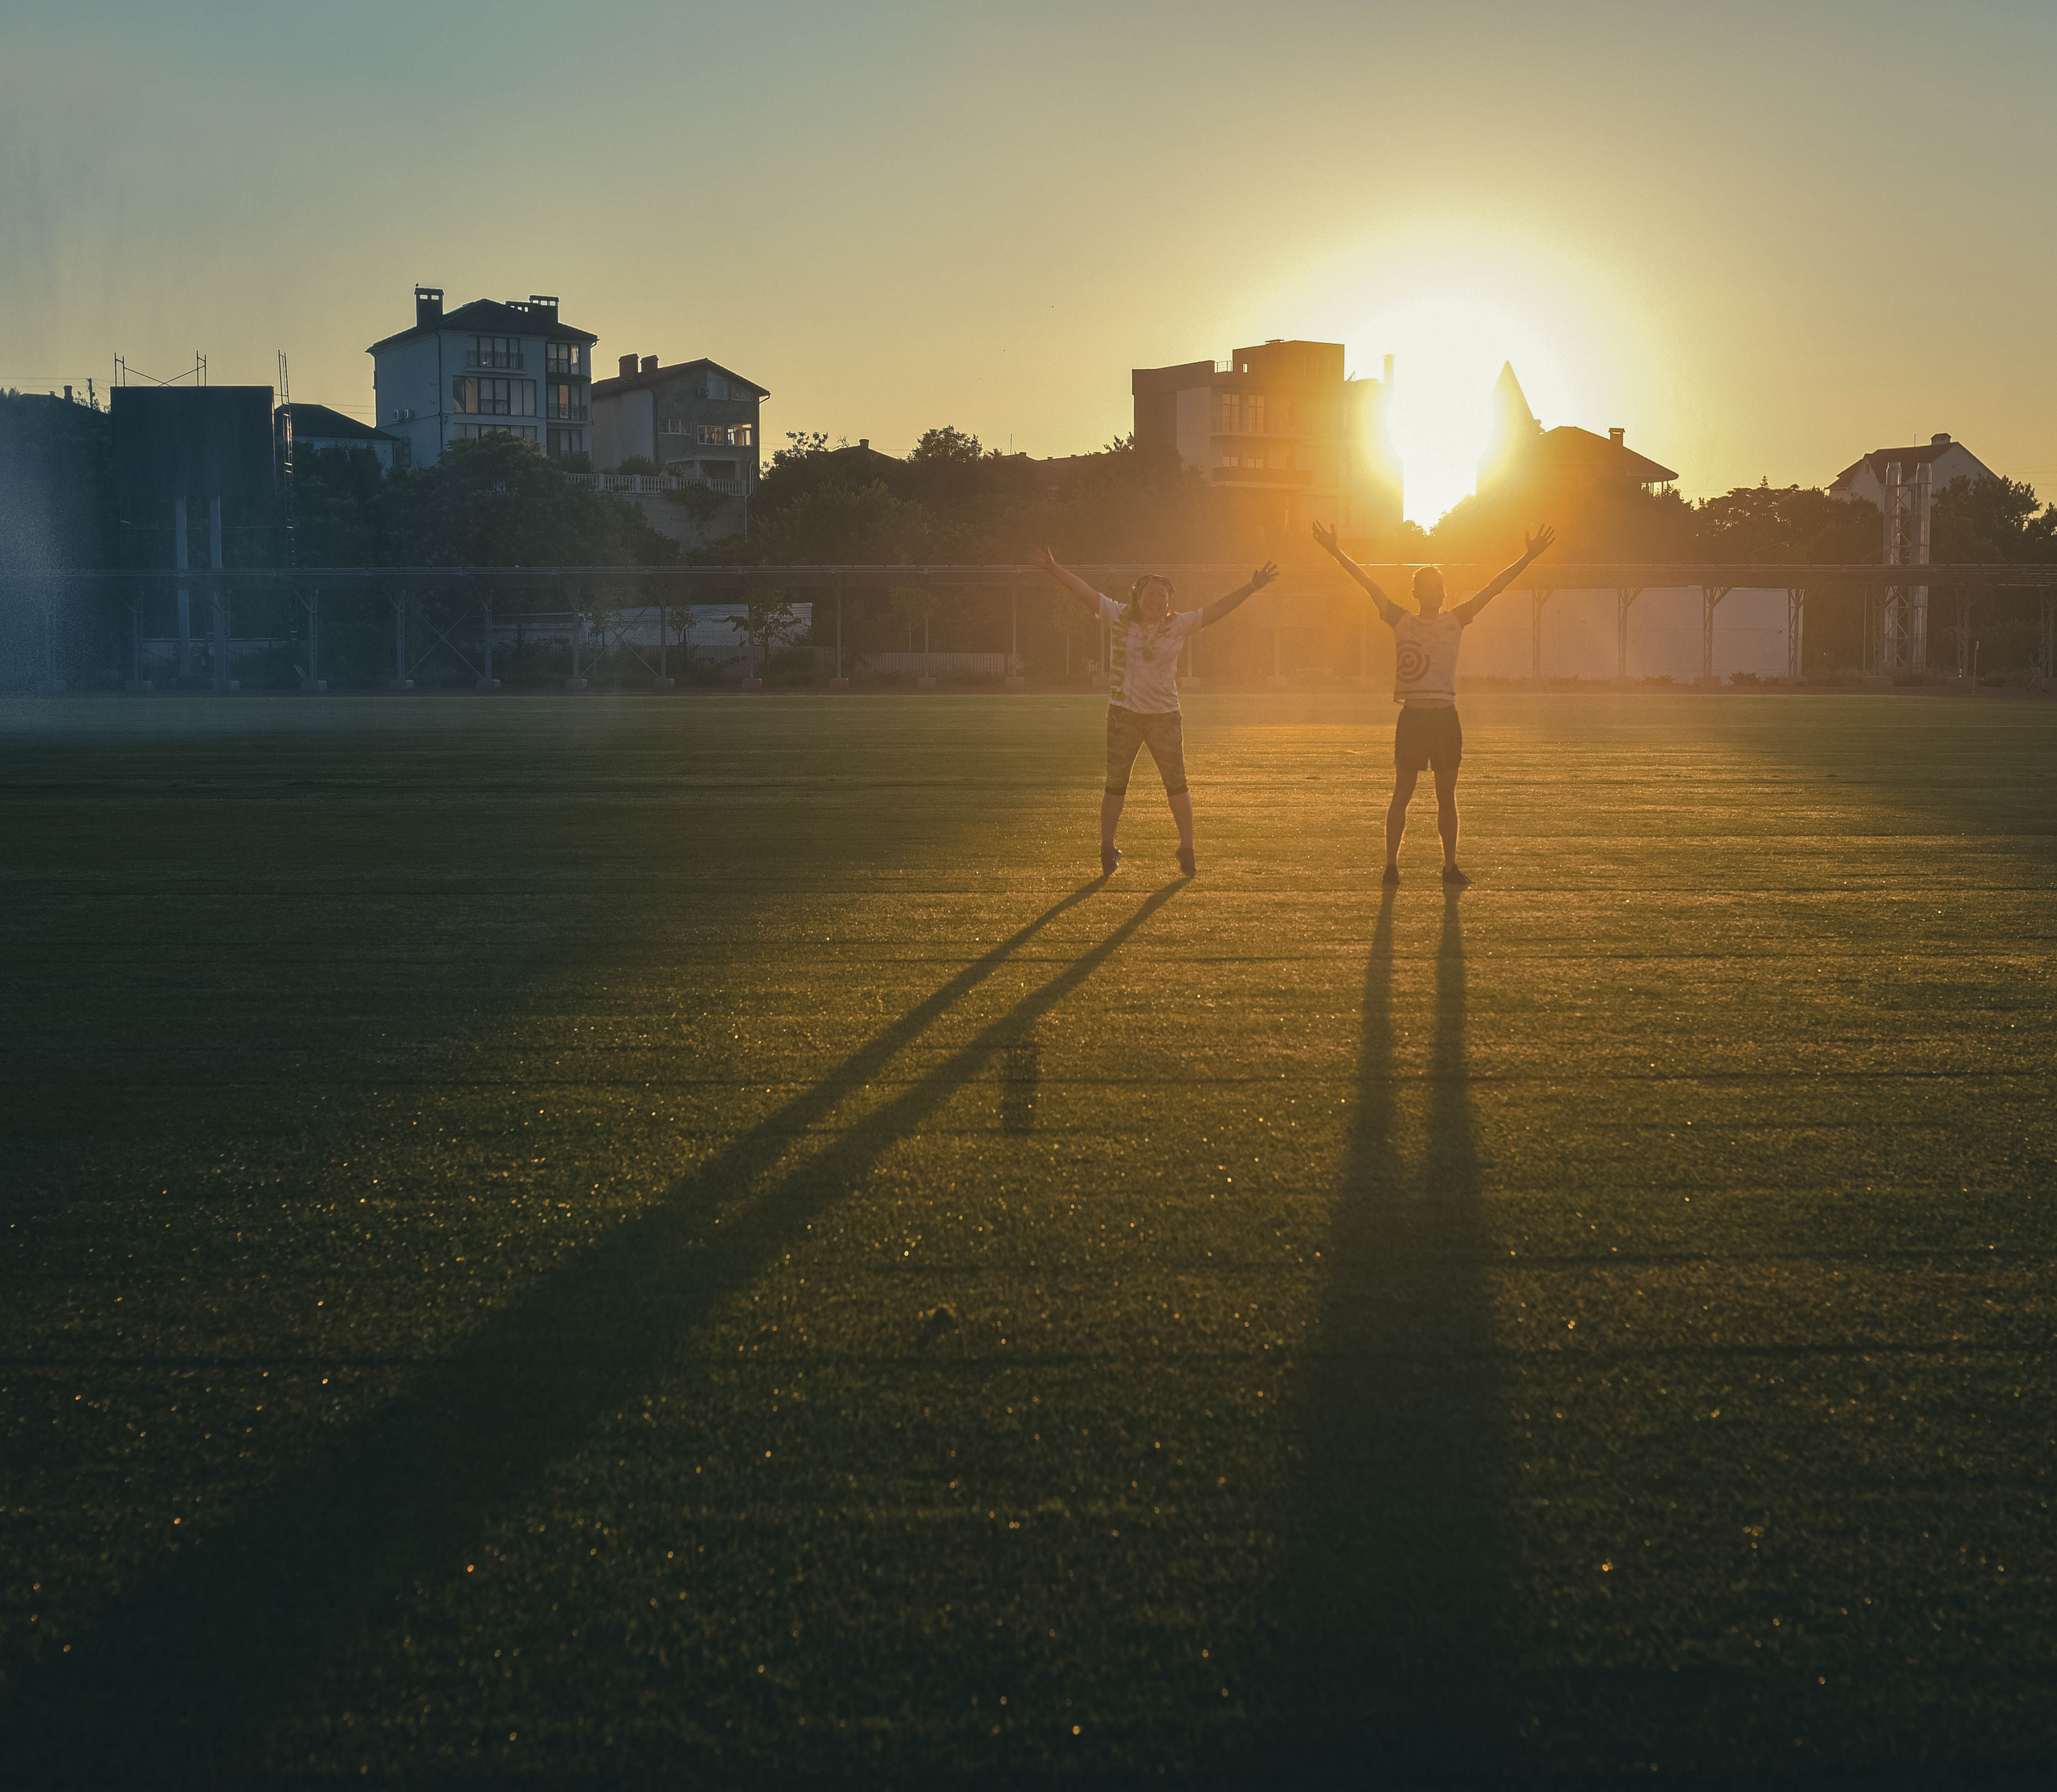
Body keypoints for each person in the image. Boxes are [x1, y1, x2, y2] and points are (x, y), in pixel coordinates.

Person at [1311, 521, 1556, 886]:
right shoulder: (1401, 620)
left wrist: (1528, 556)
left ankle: (1450, 867)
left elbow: (1494, 588)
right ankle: (1391, 867)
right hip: (1412, 718)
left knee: (1447, 797)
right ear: (1415, 593)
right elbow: (1367, 583)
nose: (1432, 593)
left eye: (1437, 588)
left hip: (1445, 719)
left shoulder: (1456, 620)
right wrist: (1334, 550)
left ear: (1444, 593)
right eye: (1425, 588)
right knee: (1402, 794)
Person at [1031, 547, 1279, 877]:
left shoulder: (1177, 624)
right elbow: (1084, 591)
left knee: (1177, 784)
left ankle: (1187, 849)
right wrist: (1052, 567)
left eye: (1162, 596)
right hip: (1123, 715)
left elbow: (1217, 610)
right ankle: (1107, 848)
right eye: (1150, 594)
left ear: (1168, 602)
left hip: (1164, 715)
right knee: (1115, 784)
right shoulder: (1118, 615)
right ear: (1137, 597)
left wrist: (1251, 587)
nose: (1156, 600)